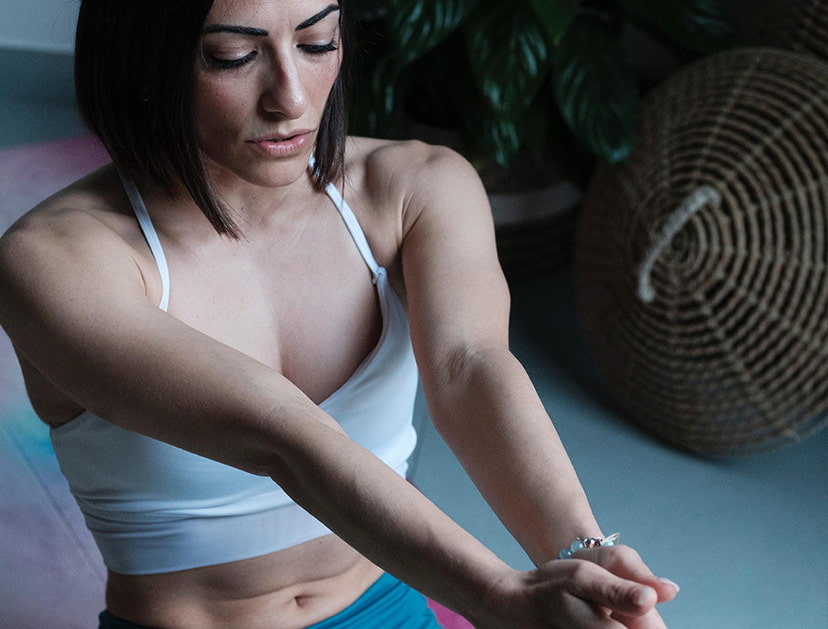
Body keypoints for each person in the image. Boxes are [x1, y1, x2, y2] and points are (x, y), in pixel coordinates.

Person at [0, 0, 679, 627]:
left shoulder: (416, 186)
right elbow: (283, 438)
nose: (291, 98)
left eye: (318, 41)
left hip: (387, 605)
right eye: (234, 57)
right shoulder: (54, 261)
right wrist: (500, 596)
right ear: (144, 57)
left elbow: (469, 366)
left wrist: (580, 546)